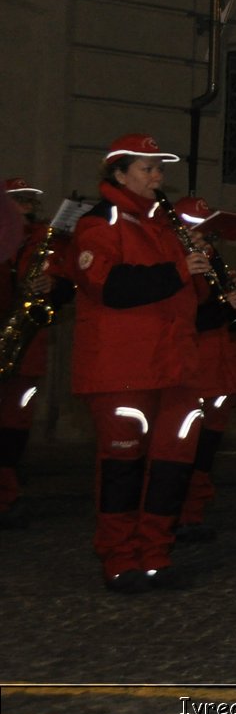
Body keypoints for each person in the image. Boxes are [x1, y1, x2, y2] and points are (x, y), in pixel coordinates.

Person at [69, 134, 213, 591]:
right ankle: (119, 557)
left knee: (172, 466)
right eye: (147, 168)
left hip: (175, 367)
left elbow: (193, 299)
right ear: (118, 173)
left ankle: (155, 554)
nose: (157, 177)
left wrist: (198, 263)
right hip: (123, 368)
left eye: (159, 169)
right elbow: (108, 285)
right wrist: (177, 269)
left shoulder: (164, 225)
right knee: (122, 468)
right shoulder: (100, 221)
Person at [170, 195, 236, 541]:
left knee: (206, 451)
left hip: (220, 369)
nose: (203, 235)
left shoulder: (212, 260)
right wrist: (224, 305)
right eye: (195, 228)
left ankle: (193, 514)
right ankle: (176, 516)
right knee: (187, 449)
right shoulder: (175, 263)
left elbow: (223, 319)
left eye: (205, 229)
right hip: (193, 369)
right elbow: (184, 317)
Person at [0, 178, 76, 527]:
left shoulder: (48, 239)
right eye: (19, 200)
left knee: (14, 424)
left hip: (25, 344)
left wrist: (54, 285)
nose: (26, 206)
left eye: (30, 201)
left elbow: (70, 284)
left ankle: (7, 493)